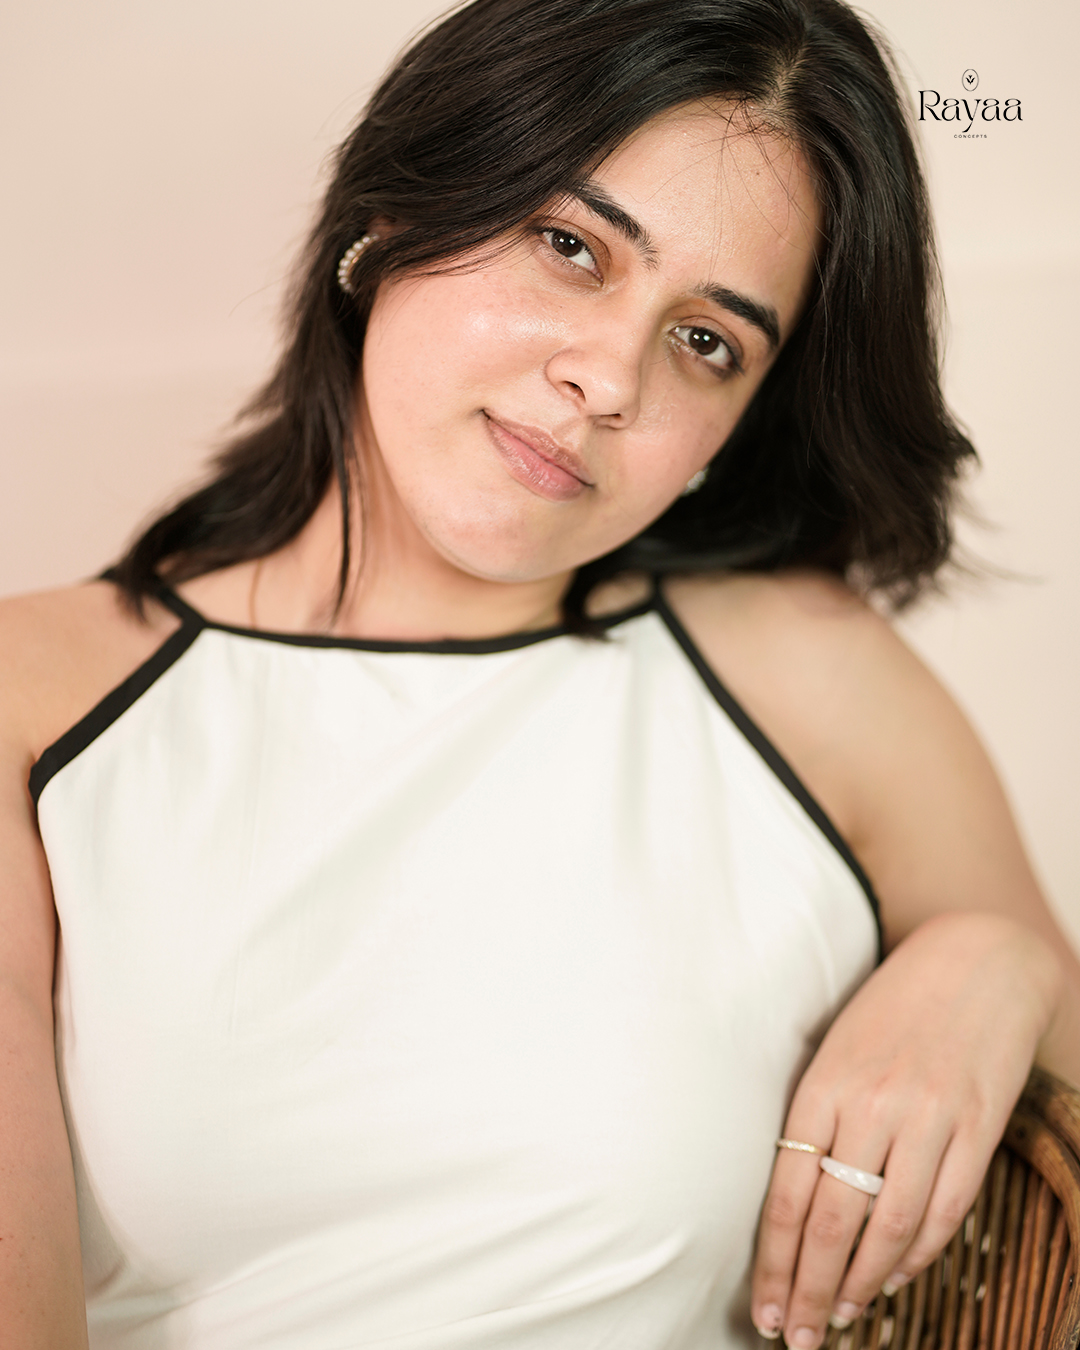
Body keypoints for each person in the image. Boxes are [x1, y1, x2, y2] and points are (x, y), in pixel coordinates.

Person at [1, 0, 1076, 1345]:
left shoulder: (809, 680)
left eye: (708, 341)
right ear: (395, 211)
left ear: (737, 427)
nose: (610, 378)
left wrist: (997, 959)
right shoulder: (33, 704)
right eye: (573, 247)